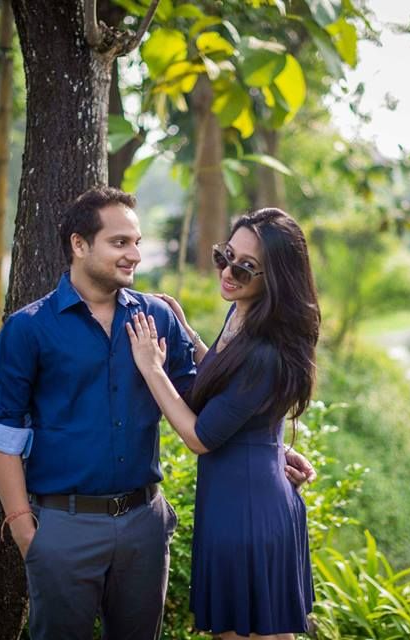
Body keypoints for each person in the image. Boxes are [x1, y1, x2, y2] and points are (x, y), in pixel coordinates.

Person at [0, 187, 315, 640]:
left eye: (136, 241)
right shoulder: (28, 328)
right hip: (64, 528)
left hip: (144, 527)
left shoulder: (156, 317)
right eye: (120, 243)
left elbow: (207, 397)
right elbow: (2, 431)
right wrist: (24, 530)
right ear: (80, 245)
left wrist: (268, 452)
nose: (134, 254)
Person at [126, 208, 320, 640]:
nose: (228, 272)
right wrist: (187, 334)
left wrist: (152, 369)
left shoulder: (265, 348)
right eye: (225, 256)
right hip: (233, 499)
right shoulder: (242, 314)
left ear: (276, 277)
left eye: (245, 267)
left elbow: (201, 436)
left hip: (249, 513)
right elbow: (223, 382)